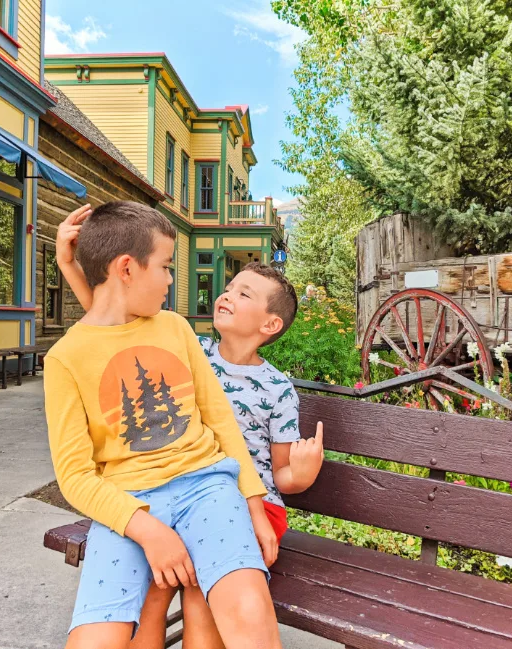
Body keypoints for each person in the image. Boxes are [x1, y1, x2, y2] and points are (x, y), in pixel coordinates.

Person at [57, 206, 324, 649]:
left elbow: (223, 424)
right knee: (135, 613)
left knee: (224, 605)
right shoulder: (72, 357)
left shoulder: (178, 331)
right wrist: (72, 263)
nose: (171, 280)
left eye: (244, 293)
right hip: (131, 500)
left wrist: (256, 505)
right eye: (165, 267)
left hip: (210, 488)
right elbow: (104, 331)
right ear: (127, 268)